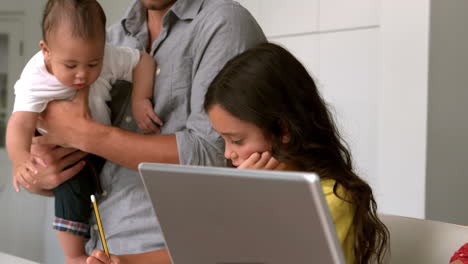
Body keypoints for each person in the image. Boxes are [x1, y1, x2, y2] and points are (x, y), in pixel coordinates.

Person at [26, 0, 266, 263]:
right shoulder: (111, 38)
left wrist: (83, 133)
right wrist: (42, 172)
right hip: (97, 251)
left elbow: (216, 156)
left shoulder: (223, 23)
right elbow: (88, 153)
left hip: (173, 254)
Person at [203, 42, 390, 264]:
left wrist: (250, 204)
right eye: (223, 139)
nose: (227, 153)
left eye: (236, 140)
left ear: (282, 130)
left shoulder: (332, 198)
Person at [5, 0, 162, 263]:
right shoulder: (35, 78)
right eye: (70, 66)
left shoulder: (108, 56)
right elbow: (19, 123)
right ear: (46, 52)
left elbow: (144, 62)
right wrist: (19, 158)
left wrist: (139, 99)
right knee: (72, 190)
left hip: (102, 143)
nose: (82, 75)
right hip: (65, 150)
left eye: (93, 64)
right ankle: (74, 255)